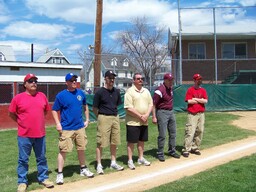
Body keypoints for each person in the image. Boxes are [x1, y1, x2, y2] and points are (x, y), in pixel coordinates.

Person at [8, 73, 54, 192]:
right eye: (31, 81)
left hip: (40, 134)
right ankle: (22, 181)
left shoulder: (42, 96)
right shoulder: (18, 98)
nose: (34, 83)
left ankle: (43, 178)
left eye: (35, 81)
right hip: (24, 135)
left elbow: (45, 112)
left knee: (42, 158)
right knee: (23, 159)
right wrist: (21, 122)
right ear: (25, 84)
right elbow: (11, 113)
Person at [52, 73, 94, 185]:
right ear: (67, 83)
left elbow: (85, 107)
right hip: (66, 128)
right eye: (71, 80)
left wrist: (87, 119)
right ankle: (60, 174)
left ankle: (83, 168)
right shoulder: (61, 96)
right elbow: (54, 110)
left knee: (81, 148)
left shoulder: (80, 93)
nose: (74, 82)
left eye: (75, 80)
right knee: (63, 150)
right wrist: (58, 123)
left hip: (79, 127)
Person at [93, 70, 124, 174]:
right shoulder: (99, 92)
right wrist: (101, 117)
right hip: (103, 117)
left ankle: (113, 162)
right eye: (110, 78)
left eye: (113, 78)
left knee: (114, 141)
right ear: (105, 79)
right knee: (101, 142)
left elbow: (117, 105)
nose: (112, 80)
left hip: (115, 117)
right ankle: (99, 165)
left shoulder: (116, 91)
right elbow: (94, 108)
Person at [124, 73, 153, 170]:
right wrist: (140, 116)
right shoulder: (129, 92)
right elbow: (128, 108)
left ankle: (141, 158)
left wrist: (146, 115)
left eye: (142, 78)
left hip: (144, 121)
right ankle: (130, 160)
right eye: (138, 78)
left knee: (141, 140)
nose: (140, 80)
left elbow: (151, 104)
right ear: (134, 80)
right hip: (133, 122)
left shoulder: (146, 91)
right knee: (131, 141)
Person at [152, 73, 180, 162]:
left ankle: (172, 150)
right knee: (162, 134)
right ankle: (160, 153)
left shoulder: (170, 89)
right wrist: (154, 116)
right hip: (162, 112)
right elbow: (153, 104)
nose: (171, 82)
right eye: (169, 80)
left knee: (173, 132)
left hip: (171, 112)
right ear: (165, 80)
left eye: (172, 80)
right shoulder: (159, 90)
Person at [182, 73, 208, 157]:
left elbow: (205, 101)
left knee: (200, 130)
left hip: (201, 113)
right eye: (198, 79)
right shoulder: (190, 90)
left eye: (200, 79)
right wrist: (201, 100)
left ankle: (195, 147)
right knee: (190, 131)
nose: (199, 80)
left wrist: (196, 99)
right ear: (194, 80)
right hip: (192, 114)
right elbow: (189, 101)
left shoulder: (203, 90)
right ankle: (186, 149)